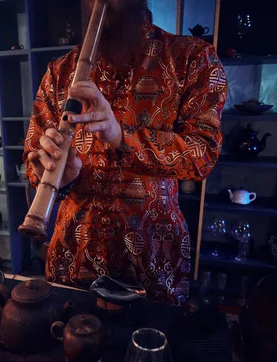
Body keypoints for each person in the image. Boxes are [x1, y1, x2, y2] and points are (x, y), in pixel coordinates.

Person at [23, 0, 228, 305]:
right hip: (73, 255)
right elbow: (33, 159)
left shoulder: (192, 58)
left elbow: (203, 155)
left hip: (154, 257)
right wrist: (53, 175)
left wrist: (122, 137)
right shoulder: (59, 71)